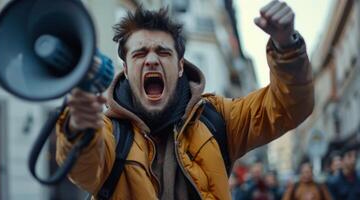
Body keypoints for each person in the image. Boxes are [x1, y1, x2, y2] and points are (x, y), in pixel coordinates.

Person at [55, 0, 314, 199]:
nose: (152, 60)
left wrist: (286, 46)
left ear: (180, 67)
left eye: (163, 52)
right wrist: (78, 131)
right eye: (140, 53)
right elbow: (85, 172)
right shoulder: (108, 132)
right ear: (126, 67)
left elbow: (287, 106)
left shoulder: (217, 118)